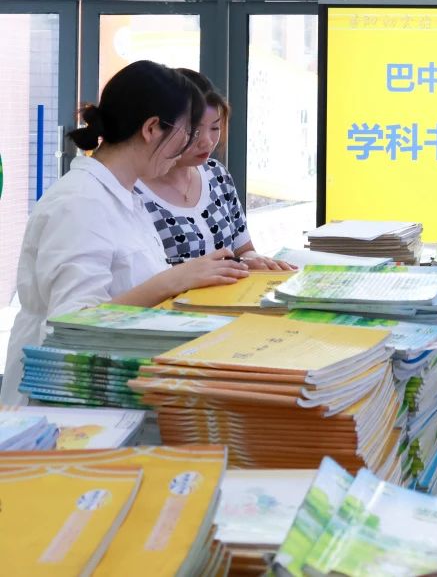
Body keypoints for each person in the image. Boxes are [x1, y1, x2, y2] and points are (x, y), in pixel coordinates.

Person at [1, 61, 249, 405]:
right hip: (59, 405)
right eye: (187, 133)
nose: (190, 146)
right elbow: (71, 323)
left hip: (109, 389)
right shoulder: (80, 202)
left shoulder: (125, 196)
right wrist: (174, 279)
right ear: (151, 129)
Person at [135, 69, 293, 272]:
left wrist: (257, 261)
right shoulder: (133, 191)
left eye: (215, 128)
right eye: (194, 130)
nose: (207, 142)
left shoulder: (216, 174)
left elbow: (243, 250)